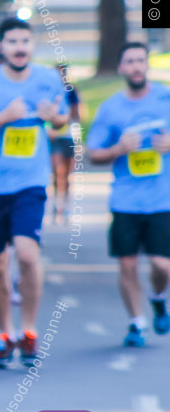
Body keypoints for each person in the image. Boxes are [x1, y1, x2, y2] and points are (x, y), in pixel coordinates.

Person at [0, 17, 69, 368]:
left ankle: (29, 331)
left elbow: (61, 120)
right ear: (0, 47)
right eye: (12, 42)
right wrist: (3, 118)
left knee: (26, 254)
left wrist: (55, 119)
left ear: (32, 45)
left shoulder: (48, 79)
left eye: (25, 41)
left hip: (31, 183)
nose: (20, 47)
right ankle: (5, 333)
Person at [86, 42, 170, 348]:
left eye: (140, 60)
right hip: (125, 201)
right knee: (128, 265)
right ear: (121, 68)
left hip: (163, 199)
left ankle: (159, 299)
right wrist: (119, 149)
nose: (135, 67)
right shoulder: (111, 108)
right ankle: (137, 323)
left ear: (147, 65)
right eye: (129, 62)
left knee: (163, 266)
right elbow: (93, 153)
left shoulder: (165, 97)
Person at [49, 64, 83, 223]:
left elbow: (77, 114)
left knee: (68, 173)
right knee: (57, 172)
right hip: (54, 137)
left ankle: (66, 204)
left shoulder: (71, 91)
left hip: (69, 135)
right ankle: (57, 203)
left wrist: (65, 117)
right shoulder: (48, 91)